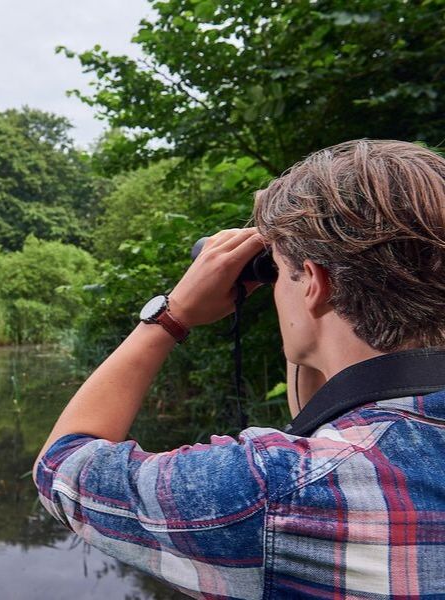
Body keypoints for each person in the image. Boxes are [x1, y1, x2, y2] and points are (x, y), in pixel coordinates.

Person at [33, 140, 445, 599]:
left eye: (281, 273)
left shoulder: (275, 490)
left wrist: (170, 316)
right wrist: (306, 314)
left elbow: (61, 468)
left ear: (315, 283)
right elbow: (326, 423)